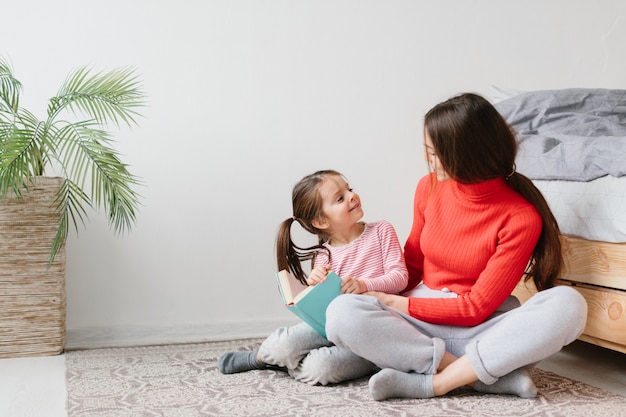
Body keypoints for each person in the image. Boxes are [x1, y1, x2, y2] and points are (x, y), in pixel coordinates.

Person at [325, 93, 588, 400]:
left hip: (484, 330)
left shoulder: (521, 217)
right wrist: (362, 289)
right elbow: (410, 266)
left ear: (467, 155)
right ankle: (477, 376)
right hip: (418, 327)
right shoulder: (428, 188)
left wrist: (394, 304)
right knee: (342, 313)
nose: (427, 160)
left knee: (570, 304)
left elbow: (475, 308)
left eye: (434, 153)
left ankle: (436, 382)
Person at [218, 169, 409, 385]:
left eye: (349, 190)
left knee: (320, 369)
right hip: (329, 327)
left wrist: (364, 285)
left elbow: (400, 278)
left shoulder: (381, 231)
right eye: (340, 198)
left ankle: (282, 363)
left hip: (370, 332)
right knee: (285, 342)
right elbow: (322, 308)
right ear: (320, 221)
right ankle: (260, 358)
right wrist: (315, 284)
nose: (351, 196)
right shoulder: (323, 254)